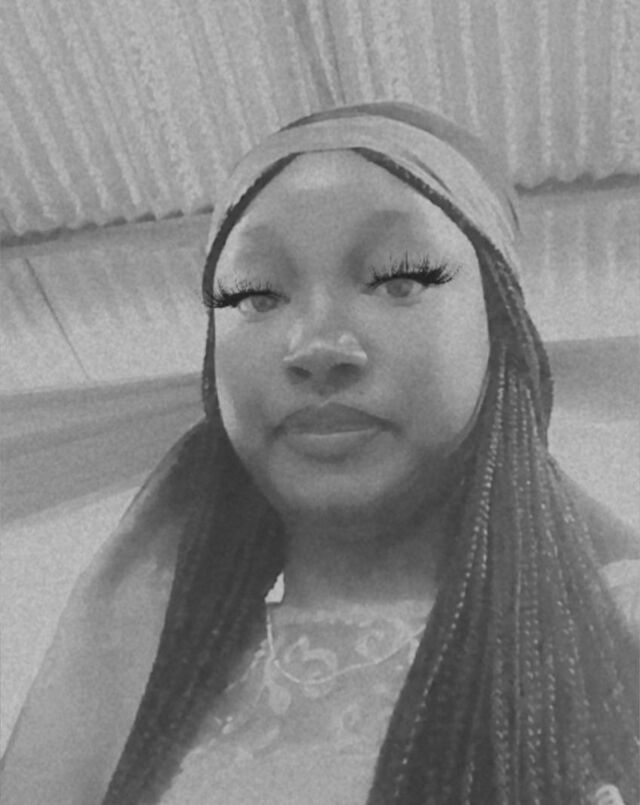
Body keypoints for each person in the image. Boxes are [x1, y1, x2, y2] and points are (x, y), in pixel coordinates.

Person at [1, 103, 638, 805]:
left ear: (500, 328)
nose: (317, 344)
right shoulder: (134, 697)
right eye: (256, 295)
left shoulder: (611, 657)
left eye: (400, 279)